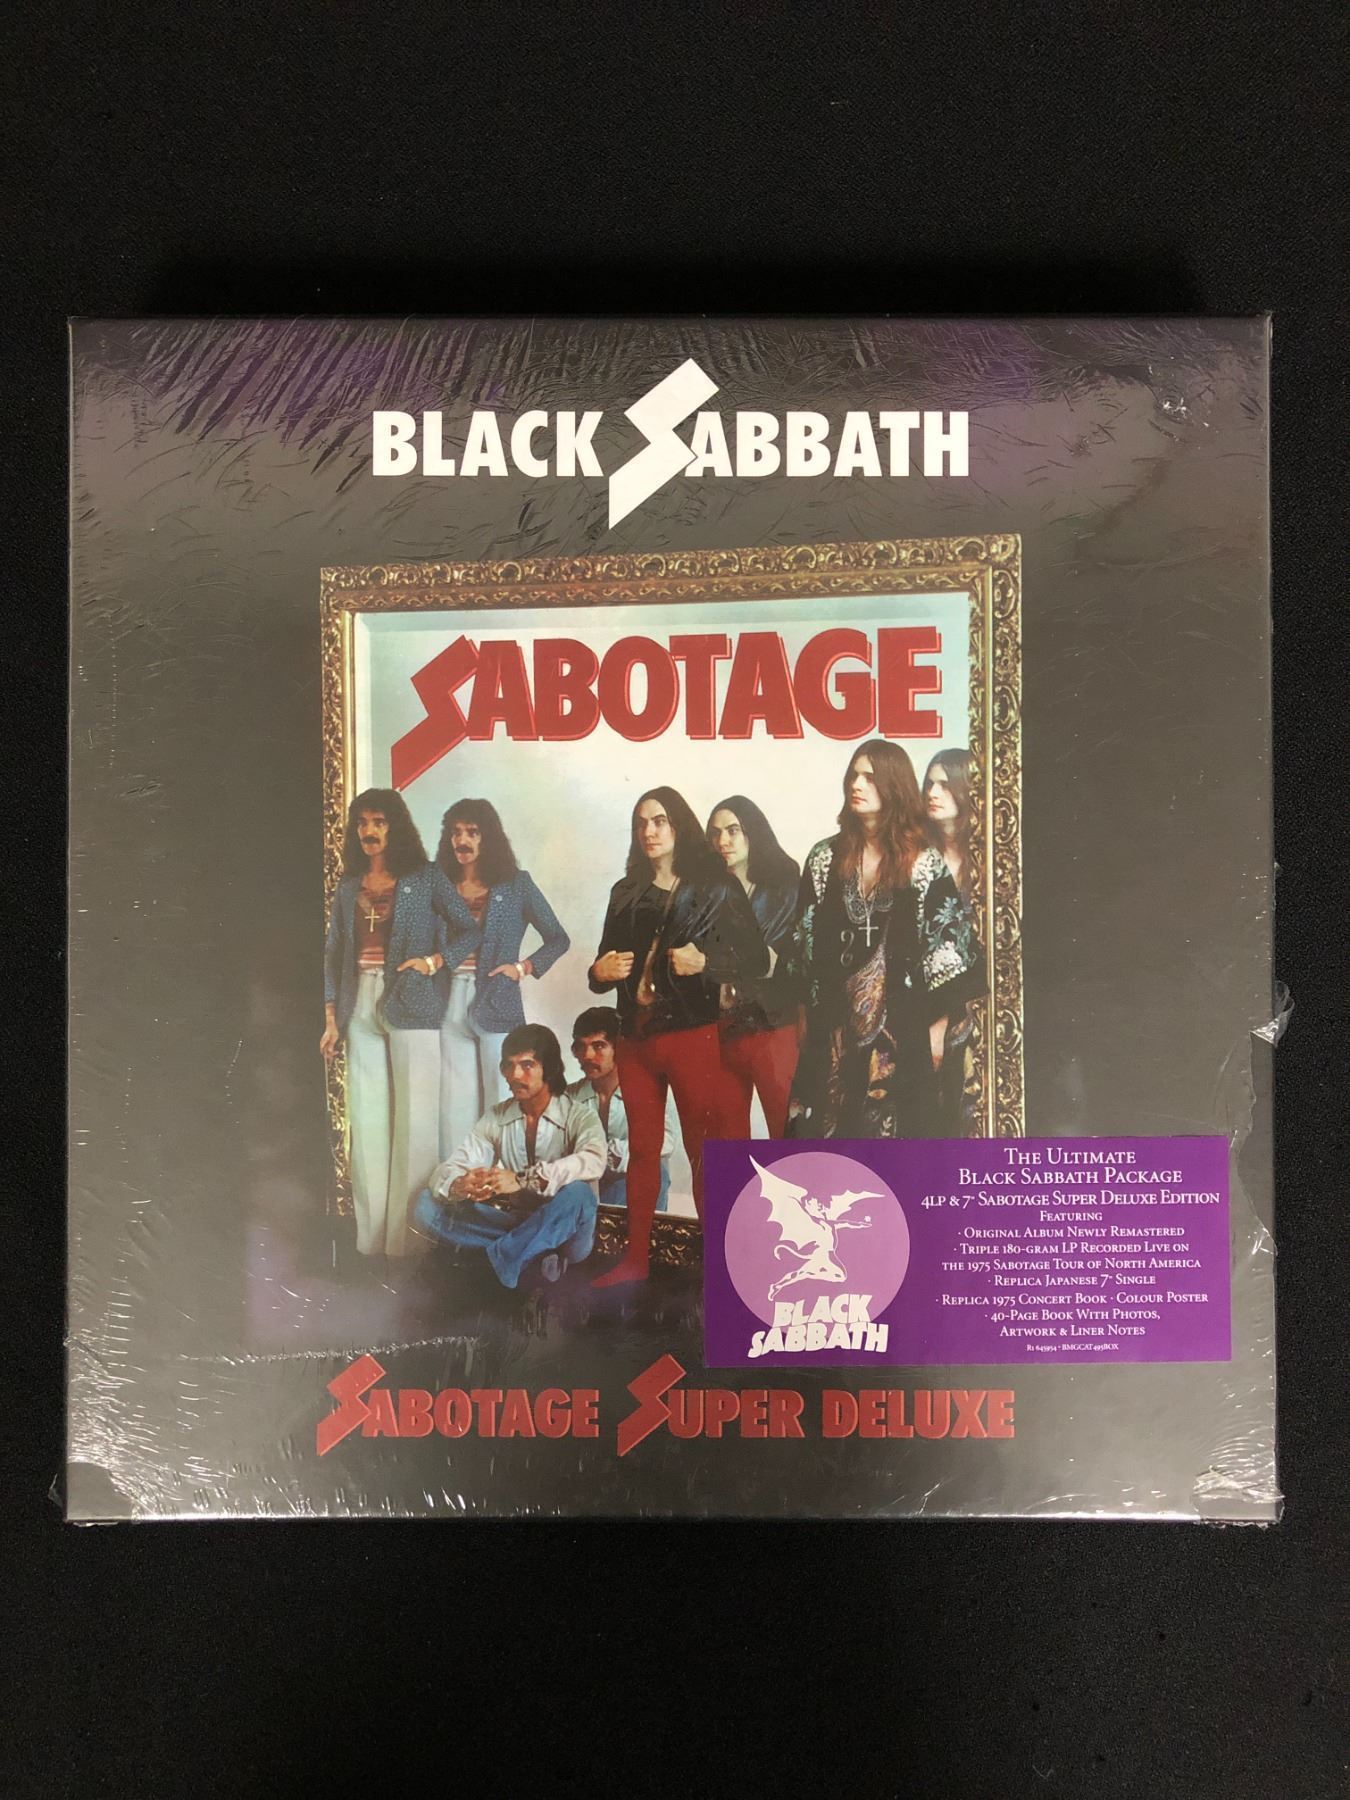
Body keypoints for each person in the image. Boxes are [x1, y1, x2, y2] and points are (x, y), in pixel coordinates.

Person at [588, 786, 768, 1285]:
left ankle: (723, 1269)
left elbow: (755, 960)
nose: (649, 831)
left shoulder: (715, 886)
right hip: (635, 1040)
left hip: (691, 1035)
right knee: (643, 1151)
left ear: (678, 826)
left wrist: (705, 962)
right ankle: (635, 1262)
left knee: (703, 1152)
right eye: (641, 823)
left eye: (660, 821)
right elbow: (602, 966)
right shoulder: (625, 891)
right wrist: (598, 971)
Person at [789, 740, 985, 1140]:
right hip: (834, 1029)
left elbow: (951, 951)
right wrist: (805, 1018)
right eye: (853, 775)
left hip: (904, 1035)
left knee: (899, 1144)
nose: (856, 784)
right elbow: (803, 944)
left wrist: (937, 1029)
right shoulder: (823, 858)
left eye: (870, 777)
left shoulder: (922, 861)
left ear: (894, 785)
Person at [322, 789, 481, 1259]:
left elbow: (469, 929)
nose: (369, 831)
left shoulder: (425, 877)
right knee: (368, 1124)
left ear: (396, 827)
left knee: (415, 1126)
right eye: (362, 823)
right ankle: (370, 1247)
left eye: (379, 822)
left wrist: (434, 962)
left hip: (413, 1003)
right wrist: (331, 1018)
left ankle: (408, 1250)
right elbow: (333, 954)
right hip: (359, 1005)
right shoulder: (349, 885)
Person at [413, 1025, 605, 1289]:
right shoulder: (497, 1116)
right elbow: (454, 1164)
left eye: (527, 1065)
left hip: (567, 1232)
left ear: (549, 1068)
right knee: (426, 1203)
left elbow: (594, 1160)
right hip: (517, 1222)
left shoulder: (579, 1115)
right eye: (508, 1065)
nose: (514, 1075)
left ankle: (491, 1264)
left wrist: (523, 1179)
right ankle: (533, 1257)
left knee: (579, 1194)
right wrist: (460, 1183)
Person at [435, 799, 570, 1161]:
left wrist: (522, 967)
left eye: (472, 832)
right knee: (454, 1108)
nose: (462, 840)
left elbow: (558, 938)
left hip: (497, 1001)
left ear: (488, 837)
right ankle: (463, 1181)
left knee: (504, 1100)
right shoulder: (440, 886)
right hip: (448, 1002)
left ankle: (506, 1181)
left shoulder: (515, 885)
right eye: (455, 832)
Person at [706, 795, 802, 1138]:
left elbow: (778, 959)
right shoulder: (705, 891)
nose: (723, 841)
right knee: (727, 1135)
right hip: (722, 1027)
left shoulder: (784, 883)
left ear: (753, 832)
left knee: (786, 1130)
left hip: (772, 1024)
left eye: (733, 830)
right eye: (715, 833)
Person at [566, 1007, 674, 1213]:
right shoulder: (568, 1098)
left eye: (598, 1046)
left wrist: (612, 1154)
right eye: (580, 1046)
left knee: (655, 1169)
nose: (587, 1055)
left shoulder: (647, 1091)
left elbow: (664, 1141)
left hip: (628, 1181)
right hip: (586, 1185)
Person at [923, 749, 979, 1135]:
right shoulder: (916, 857)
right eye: (929, 784)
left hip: (978, 1001)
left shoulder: (990, 856)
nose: (933, 792)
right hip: (924, 999)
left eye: (944, 784)